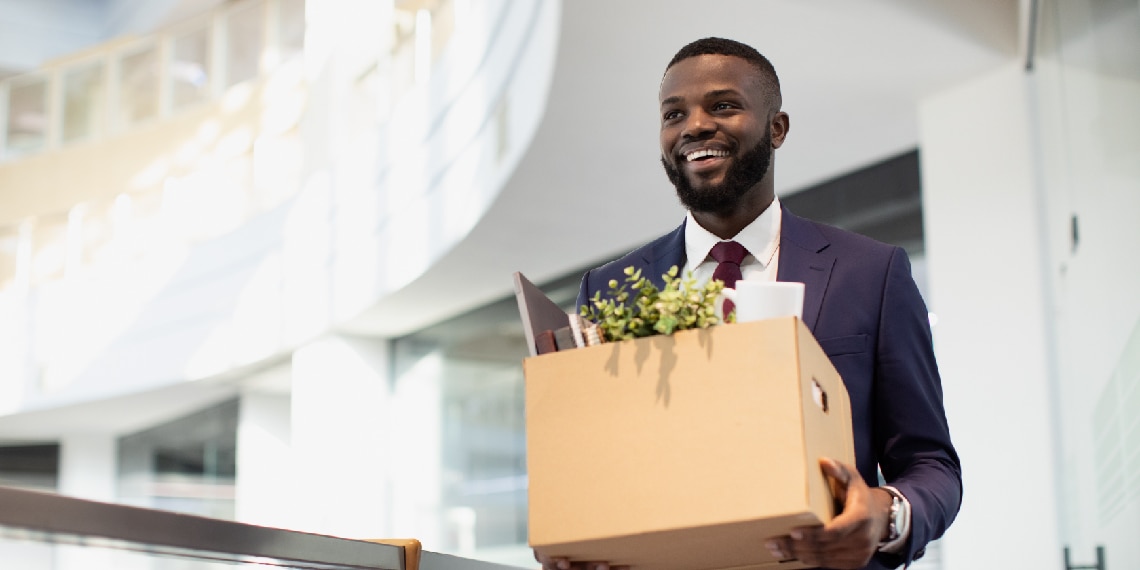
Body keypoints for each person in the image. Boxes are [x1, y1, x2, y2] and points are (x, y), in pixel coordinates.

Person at [536, 38, 961, 570]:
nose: (694, 125)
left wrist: (885, 514)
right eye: (674, 114)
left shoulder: (871, 273)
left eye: (722, 106)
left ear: (777, 127)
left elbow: (930, 463)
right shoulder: (608, 289)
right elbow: (591, 461)